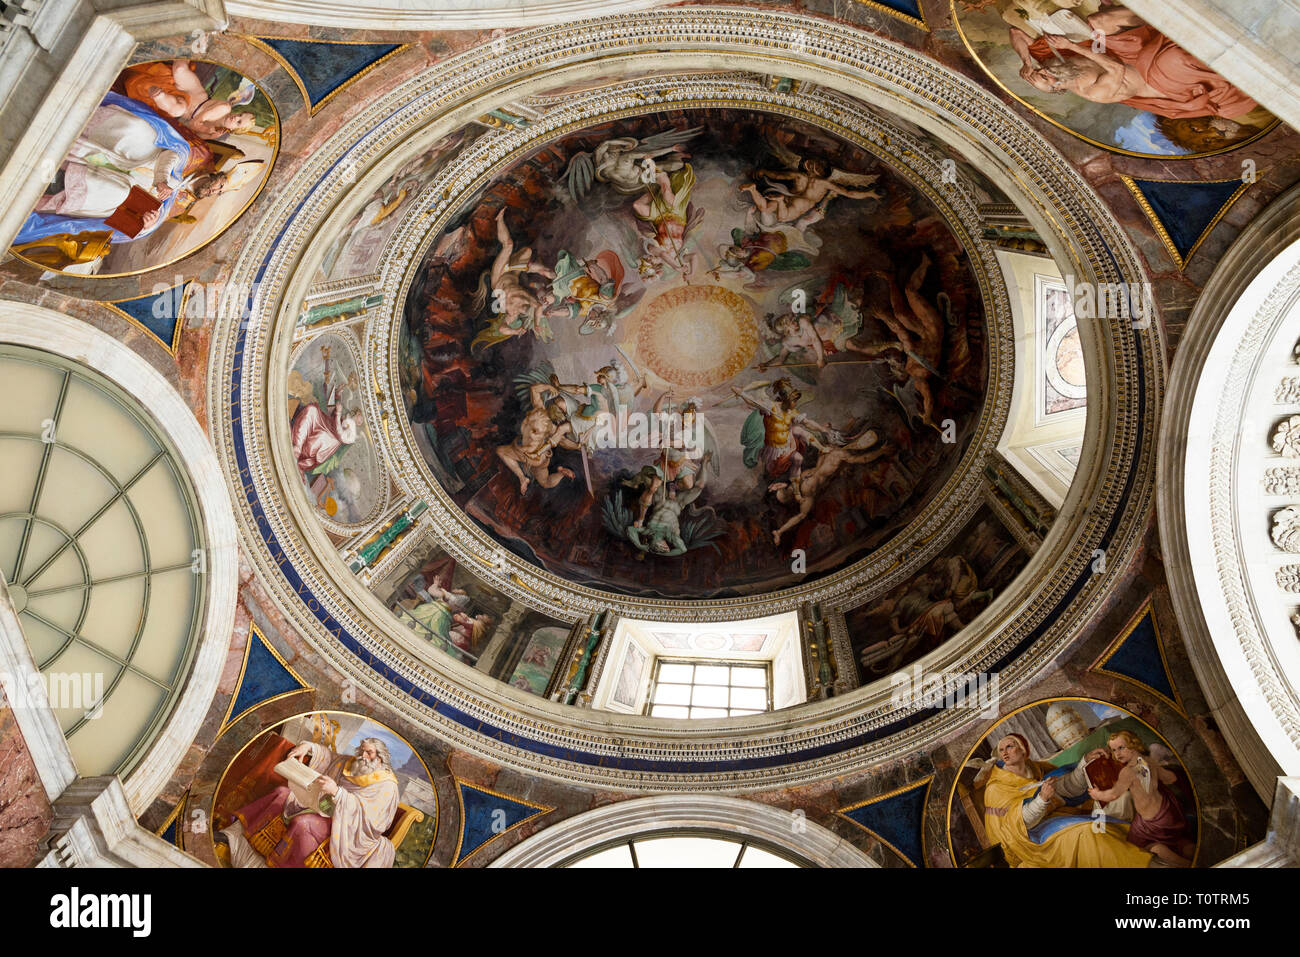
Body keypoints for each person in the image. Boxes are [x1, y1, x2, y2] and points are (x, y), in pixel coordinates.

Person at [218, 737, 400, 868]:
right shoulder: (351, 763)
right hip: (320, 806)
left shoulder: (387, 786)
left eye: (368, 752)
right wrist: (308, 747)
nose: (362, 756)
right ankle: (233, 835)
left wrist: (338, 793)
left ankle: (278, 863)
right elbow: (329, 757)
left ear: (380, 758)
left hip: (346, 829)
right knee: (280, 794)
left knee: (302, 824)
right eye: (361, 750)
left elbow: (374, 822)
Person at [977, 732, 1153, 867]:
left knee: (1108, 823)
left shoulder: (1037, 769)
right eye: (1001, 750)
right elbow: (1018, 823)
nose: (1005, 753)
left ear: (1023, 749)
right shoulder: (996, 787)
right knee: (1088, 834)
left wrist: (1085, 763)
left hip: (1051, 819)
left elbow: (1065, 787)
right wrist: (1042, 800)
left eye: (1010, 746)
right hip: (1027, 839)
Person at [1088, 730, 1196, 866]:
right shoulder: (1150, 762)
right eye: (1113, 750)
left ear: (1133, 745)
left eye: (1121, 748)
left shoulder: (1128, 771)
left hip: (1149, 824)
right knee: (1177, 841)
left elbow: (1113, 794)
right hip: (1168, 812)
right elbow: (1170, 778)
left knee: (1142, 847)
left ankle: (1185, 864)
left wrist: (1097, 794)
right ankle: (1191, 851)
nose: (1117, 754)